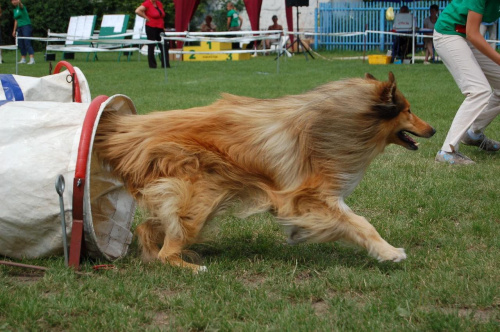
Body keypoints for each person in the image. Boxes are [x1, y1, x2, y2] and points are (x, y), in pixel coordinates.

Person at [433, 0, 500, 165]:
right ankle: (447, 152)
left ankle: (473, 135)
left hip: (465, 36)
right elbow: (472, 33)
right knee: (479, 90)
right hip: (448, 34)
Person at [135, 0, 170, 69]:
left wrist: (163, 27)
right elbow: (137, 11)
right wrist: (146, 17)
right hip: (151, 27)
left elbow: (161, 15)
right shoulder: (147, 3)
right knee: (151, 45)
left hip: (160, 27)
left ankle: (165, 64)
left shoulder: (159, 3)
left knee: (165, 45)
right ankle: (152, 65)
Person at [11, 0, 34, 65]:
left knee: (27, 42)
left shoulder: (21, 7)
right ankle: (23, 58)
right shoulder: (15, 10)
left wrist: (19, 2)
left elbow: (21, 5)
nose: (14, 2)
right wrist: (14, 30)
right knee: (21, 43)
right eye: (12, 1)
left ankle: (32, 59)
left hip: (26, 26)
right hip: (19, 27)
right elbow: (16, 20)